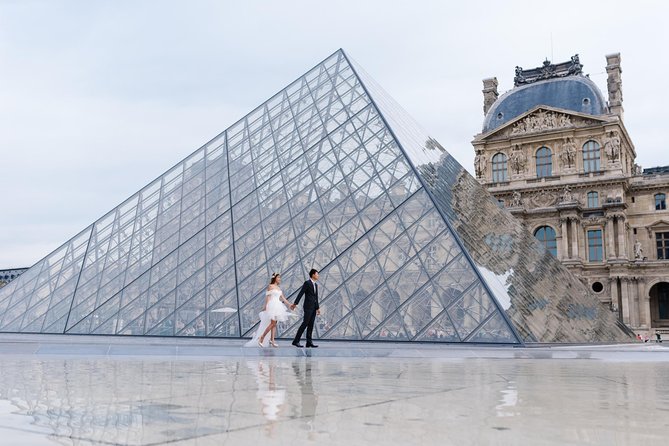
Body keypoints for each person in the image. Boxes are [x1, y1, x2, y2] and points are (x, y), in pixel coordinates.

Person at [245, 273, 293, 348]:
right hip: (272, 305)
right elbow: (268, 297)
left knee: (274, 324)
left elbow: (283, 298)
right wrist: (266, 307)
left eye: (280, 278)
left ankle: (272, 340)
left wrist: (290, 305)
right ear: (275, 278)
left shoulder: (279, 288)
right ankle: (262, 337)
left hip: (278, 305)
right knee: (272, 323)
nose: (280, 279)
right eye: (278, 277)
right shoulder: (270, 286)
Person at [291, 269, 321, 348]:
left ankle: (309, 342)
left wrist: (317, 308)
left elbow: (316, 297)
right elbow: (301, 293)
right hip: (308, 307)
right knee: (305, 323)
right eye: (317, 274)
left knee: (311, 325)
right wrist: (295, 303)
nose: (318, 275)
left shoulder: (316, 285)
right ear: (313, 275)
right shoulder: (307, 283)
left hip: (313, 307)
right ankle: (296, 341)